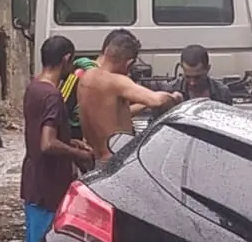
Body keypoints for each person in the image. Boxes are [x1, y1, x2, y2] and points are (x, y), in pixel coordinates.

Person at [22, 36, 95, 242]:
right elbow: (47, 143)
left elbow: (40, 133)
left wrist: (69, 141)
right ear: (66, 59)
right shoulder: (53, 96)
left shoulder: (34, 86)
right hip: (48, 185)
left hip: (34, 180)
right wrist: (78, 154)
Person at [76, 29, 182, 162]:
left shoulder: (86, 77)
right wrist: (175, 98)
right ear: (129, 63)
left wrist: (142, 104)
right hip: (114, 161)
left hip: (93, 159)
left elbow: (113, 114)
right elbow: (157, 101)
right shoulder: (116, 81)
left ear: (107, 51)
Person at [167, 44, 235, 104]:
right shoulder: (170, 90)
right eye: (187, 77)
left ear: (208, 69)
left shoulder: (222, 93)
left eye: (197, 77)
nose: (192, 83)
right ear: (182, 68)